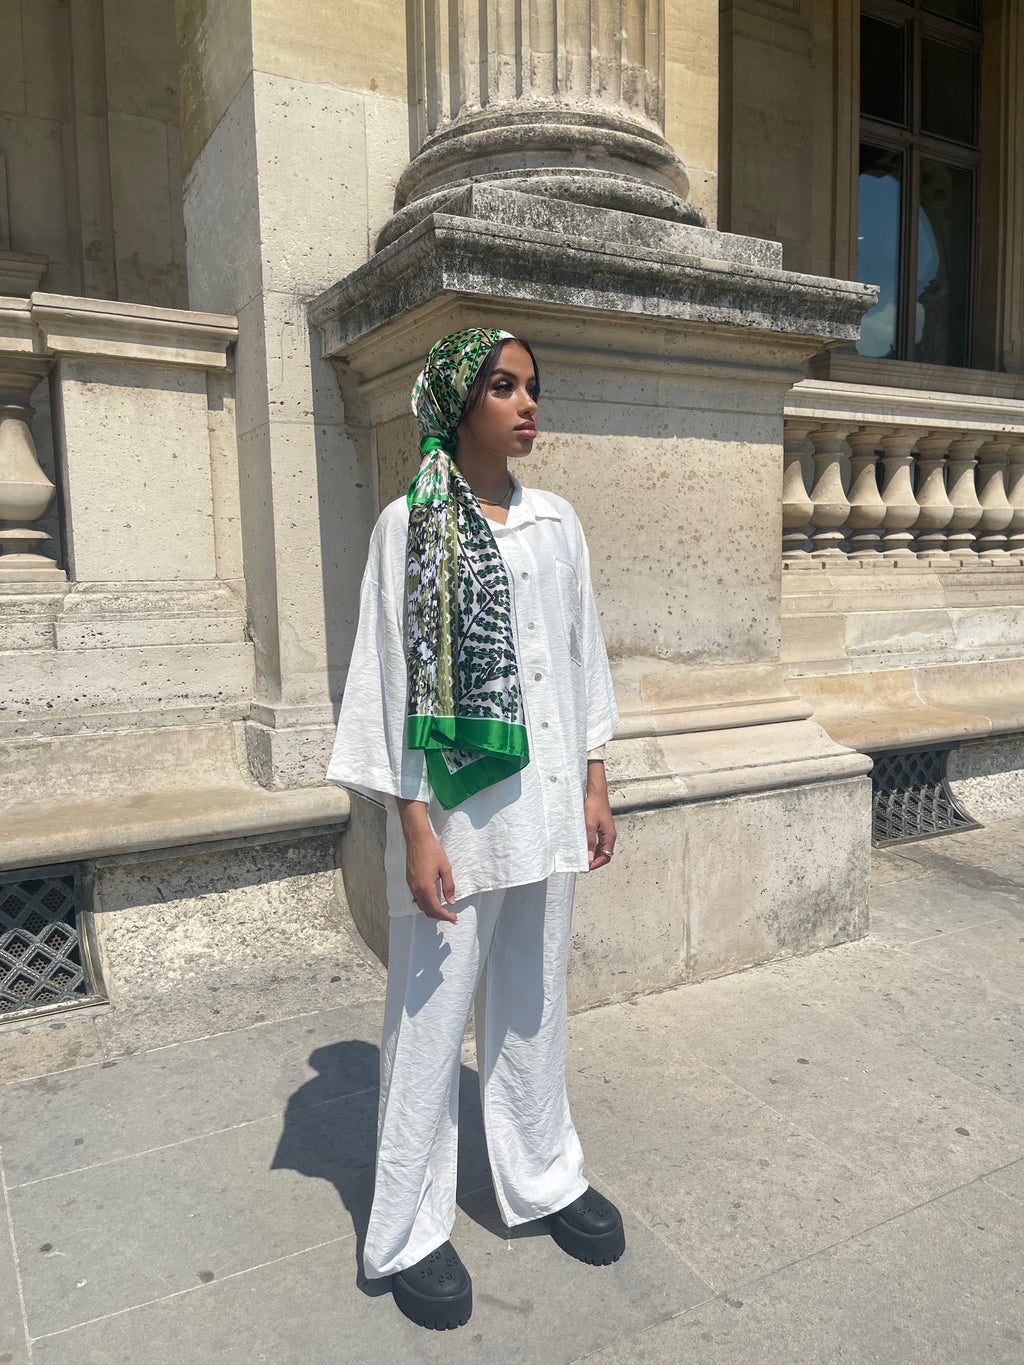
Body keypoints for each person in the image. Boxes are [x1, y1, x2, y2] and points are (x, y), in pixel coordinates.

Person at [326, 326, 623, 1331]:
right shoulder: (409, 526)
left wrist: (595, 778)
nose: (527, 403)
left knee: (535, 999)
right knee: (428, 1021)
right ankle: (410, 1229)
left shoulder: (557, 522)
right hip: (454, 817)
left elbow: (582, 655)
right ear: (459, 402)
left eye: (532, 386)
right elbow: (388, 682)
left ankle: (542, 1175)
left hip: (549, 804)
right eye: (504, 386)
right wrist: (412, 825)